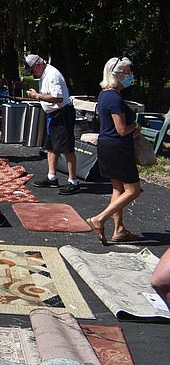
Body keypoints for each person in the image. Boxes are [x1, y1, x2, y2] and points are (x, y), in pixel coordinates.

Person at [85, 57, 142, 245]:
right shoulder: (115, 98)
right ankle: (99, 219)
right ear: (117, 75)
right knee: (133, 190)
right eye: (128, 72)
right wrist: (135, 126)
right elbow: (122, 129)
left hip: (107, 145)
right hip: (118, 148)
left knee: (118, 188)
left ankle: (119, 230)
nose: (131, 75)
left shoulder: (104, 94)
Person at [25, 54, 80, 195]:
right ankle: (52, 177)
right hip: (53, 115)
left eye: (32, 71)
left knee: (67, 148)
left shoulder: (52, 75)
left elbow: (58, 97)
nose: (32, 75)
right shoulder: (44, 74)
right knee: (50, 147)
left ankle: (73, 181)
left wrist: (38, 96)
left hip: (62, 114)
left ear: (38, 65)